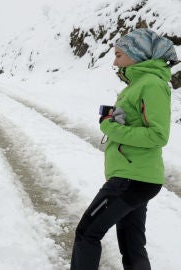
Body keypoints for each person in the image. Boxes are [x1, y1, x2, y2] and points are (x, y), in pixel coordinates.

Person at [70, 28, 179, 270]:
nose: (114, 61)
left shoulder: (150, 84)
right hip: (137, 177)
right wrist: (116, 120)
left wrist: (111, 127)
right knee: (132, 245)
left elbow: (158, 135)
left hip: (130, 179)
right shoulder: (139, 84)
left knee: (87, 232)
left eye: (119, 55)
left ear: (137, 54)